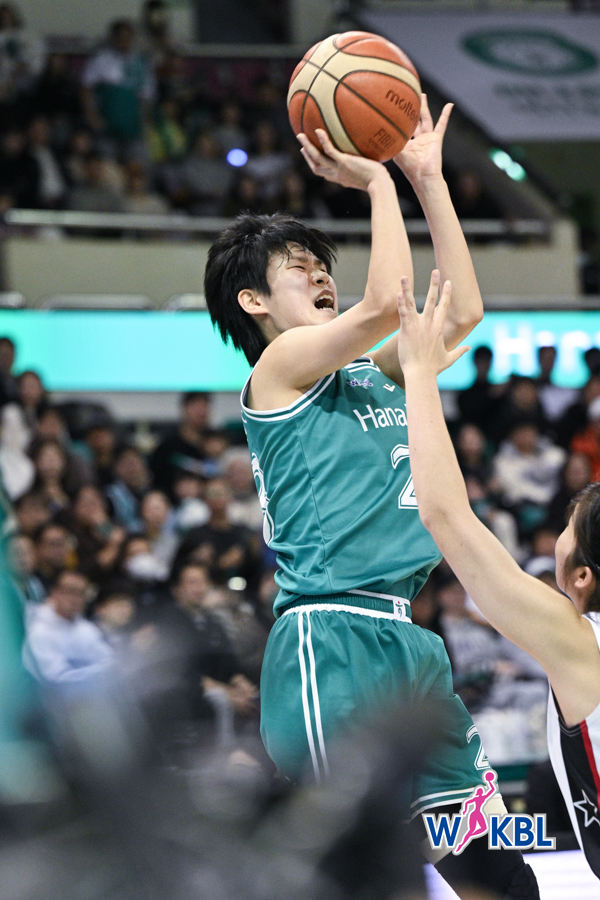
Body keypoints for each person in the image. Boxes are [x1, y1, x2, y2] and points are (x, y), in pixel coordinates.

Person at [205, 99, 537, 898]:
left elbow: (461, 311)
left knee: (495, 864)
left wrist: (429, 182)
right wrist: (380, 183)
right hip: (329, 641)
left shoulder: (374, 373)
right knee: (355, 875)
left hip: (408, 640)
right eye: (298, 268)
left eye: (321, 264)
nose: (321, 274)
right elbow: (386, 302)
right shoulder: (277, 372)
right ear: (253, 302)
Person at [396, 269, 600, 882]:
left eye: (567, 526)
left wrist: (419, 377)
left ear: (582, 576)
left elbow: (444, 515)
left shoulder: (581, 642)